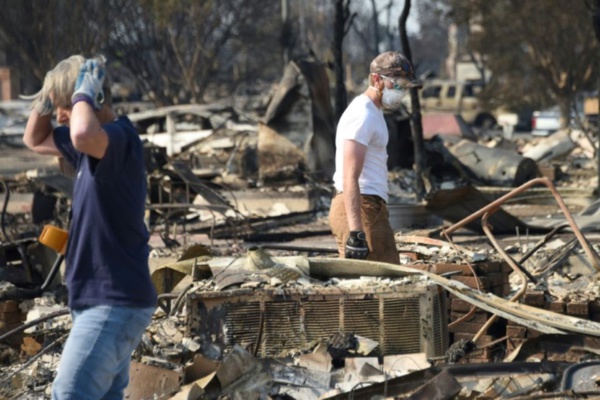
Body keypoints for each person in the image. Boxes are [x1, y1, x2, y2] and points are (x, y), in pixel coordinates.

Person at [23, 55, 157, 399]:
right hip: (100, 300)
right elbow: (34, 139)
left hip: (113, 301)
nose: (59, 116)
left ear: (94, 98)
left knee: (69, 394)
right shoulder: (89, 149)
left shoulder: (119, 139)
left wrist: (82, 94)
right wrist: (48, 95)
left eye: (65, 105)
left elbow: (83, 133)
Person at [329, 51, 422, 264]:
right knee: (370, 284)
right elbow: (349, 177)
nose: (401, 91)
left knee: (389, 274)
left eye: (404, 86)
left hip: (371, 206)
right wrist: (356, 233)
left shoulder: (374, 112)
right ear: (377, 79)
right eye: (396, 85)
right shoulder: (362, 114)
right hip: (359, 207)